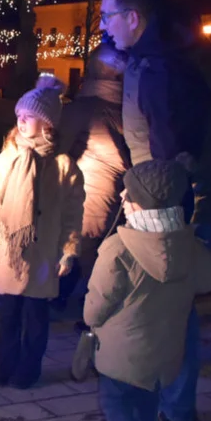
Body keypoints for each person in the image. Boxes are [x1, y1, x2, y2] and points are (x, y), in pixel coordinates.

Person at [100, 0, 211, 421]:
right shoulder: (161, 62)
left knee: (174, 308)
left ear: (135, 17)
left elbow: (168, 155)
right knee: (174, 307)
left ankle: (177, 416)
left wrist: (152, 208)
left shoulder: (160, 67)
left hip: (174, 203)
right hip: (181, 197)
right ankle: (177, 406)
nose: (104, 27)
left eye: (108, 16)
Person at [85, 160, 211, 421]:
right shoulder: (189, 246)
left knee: (116, 401)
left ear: (137, 204)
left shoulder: (119, 249)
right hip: (165, 349)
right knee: (148, 399)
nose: (121, 196)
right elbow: (210, 277)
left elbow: (97, 304)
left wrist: (90, 322)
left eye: (127, 193)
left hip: (121, 352)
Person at [0, 75, 84, 388]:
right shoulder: (7, 158)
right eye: (19, 116)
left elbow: (73, 212)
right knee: (9, 314)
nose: (21, 121)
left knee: (36, 316)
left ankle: (29, 368)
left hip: (45, 253)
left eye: (29, 116)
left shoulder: (63, 165)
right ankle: (4, 364)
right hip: (11, 251)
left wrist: (69, 250)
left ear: (48, 123)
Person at [56, 40, 131, 304]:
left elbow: (57, 150)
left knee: (82, 247)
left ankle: (85, 306)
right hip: (115, 191)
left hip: (88, 189)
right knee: (99, 248)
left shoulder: (83, 108)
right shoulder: (126, 108)